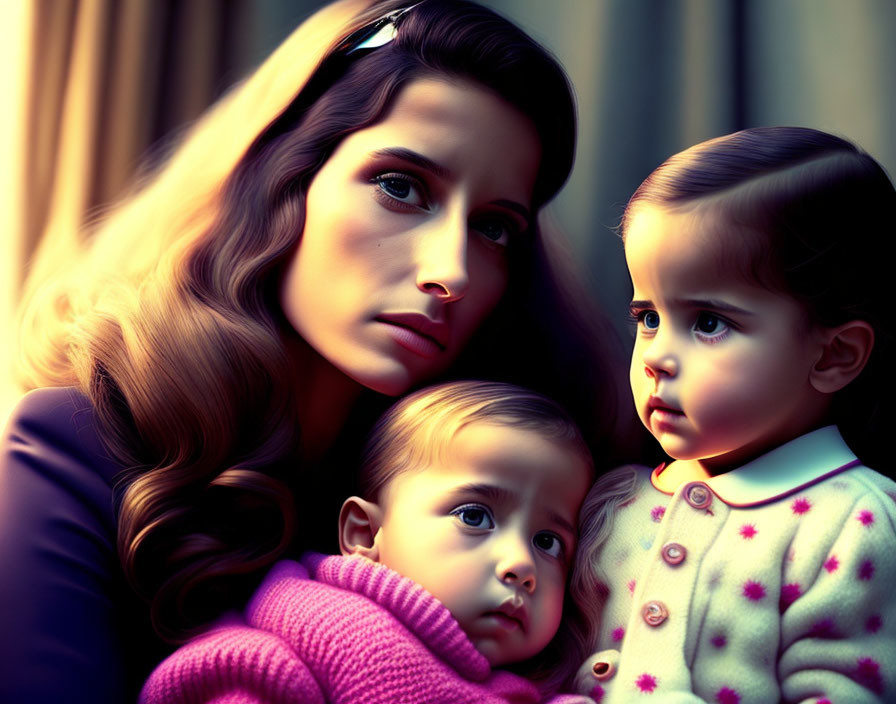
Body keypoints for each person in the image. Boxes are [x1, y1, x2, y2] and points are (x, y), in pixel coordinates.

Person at [0, 1, 637, 703]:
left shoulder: (525, 475)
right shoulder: (75, 448)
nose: (451, 271)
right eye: (401, 187)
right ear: (284, 179)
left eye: (492, 227)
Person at [569, 127, 896, 703]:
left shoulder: (856, 523)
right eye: (648, 318)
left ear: (833, 354)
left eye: (708, 323)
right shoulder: (610, 501)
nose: (657, 359)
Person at [139, 380, 597, 703]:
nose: (521, 564)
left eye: (549, 542)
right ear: (364, 533)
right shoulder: (295, 638)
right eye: (474, 516)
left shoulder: (539, 687)